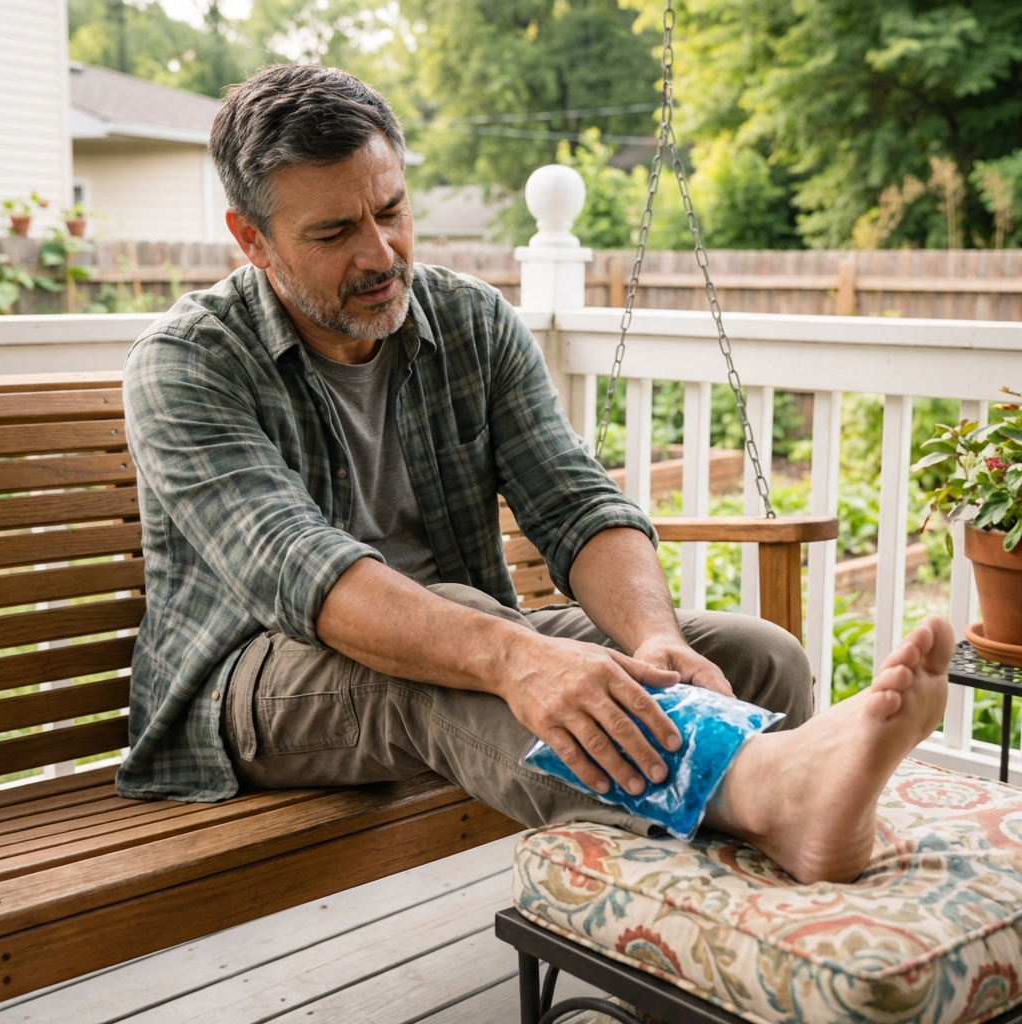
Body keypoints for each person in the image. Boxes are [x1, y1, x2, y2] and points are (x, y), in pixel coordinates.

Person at [118, 63, 954, 886]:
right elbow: (308, 573)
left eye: (392, 210)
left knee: (753, 656)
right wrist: (517, 659)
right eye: (335, 234)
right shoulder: (186, 366)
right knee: (469, 645)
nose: (381, 254)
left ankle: (720, 935)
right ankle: (776, 791)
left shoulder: (472, 321)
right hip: (250, 685)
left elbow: (574, 501)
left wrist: (651, 638)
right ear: (251, 238)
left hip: (457, 633)